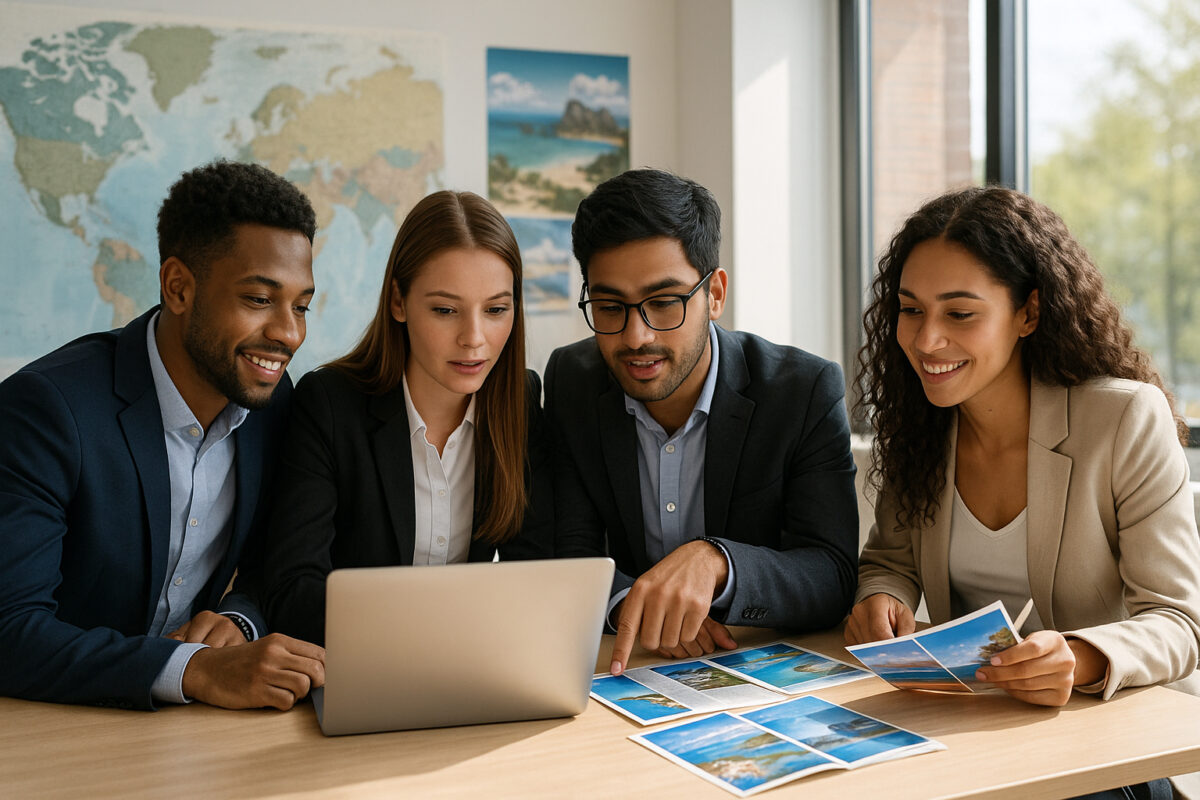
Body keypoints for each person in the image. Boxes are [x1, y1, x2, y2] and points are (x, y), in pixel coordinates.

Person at [846, 186, 1200, 713]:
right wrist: (883, 597)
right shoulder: (922, 423)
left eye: (960, 314)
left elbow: (1178, 623)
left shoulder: (1125, 419)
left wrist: (1081, 656)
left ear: (1028, 313)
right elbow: (891, 560)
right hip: (962, 718)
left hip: (1103, 737)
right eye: (911, 309)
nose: (925, 340)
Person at [0, 160, 326, 710]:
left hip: (178, 736)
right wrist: (195, 670)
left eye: (301, 306)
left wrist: (238, 620)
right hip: (45, 725)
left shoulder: (271, 403)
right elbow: (9, 629)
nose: (288, 333)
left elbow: (274, 562)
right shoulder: (48, 411)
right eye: (258, 300)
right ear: (178, 287)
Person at [547, 168, 859, 677]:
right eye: (609, 307)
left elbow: (833, 573)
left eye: (664, 302)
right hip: (630, 668)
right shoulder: (572, 382)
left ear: (714, 293)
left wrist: (718, 562)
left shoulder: (802, 390)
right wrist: (632, 604)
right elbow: (568, 557)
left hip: (759, 670)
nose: (636, 336)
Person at [259, 190, 554, 646]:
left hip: (473, 665)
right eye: (445, 310)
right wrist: (429, 633)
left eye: (496, 310)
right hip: (362, 666)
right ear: (398, 301)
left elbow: (537, 573)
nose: (474, 339)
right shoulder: (329, 404)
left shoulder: (519, 399)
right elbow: (291, 590)